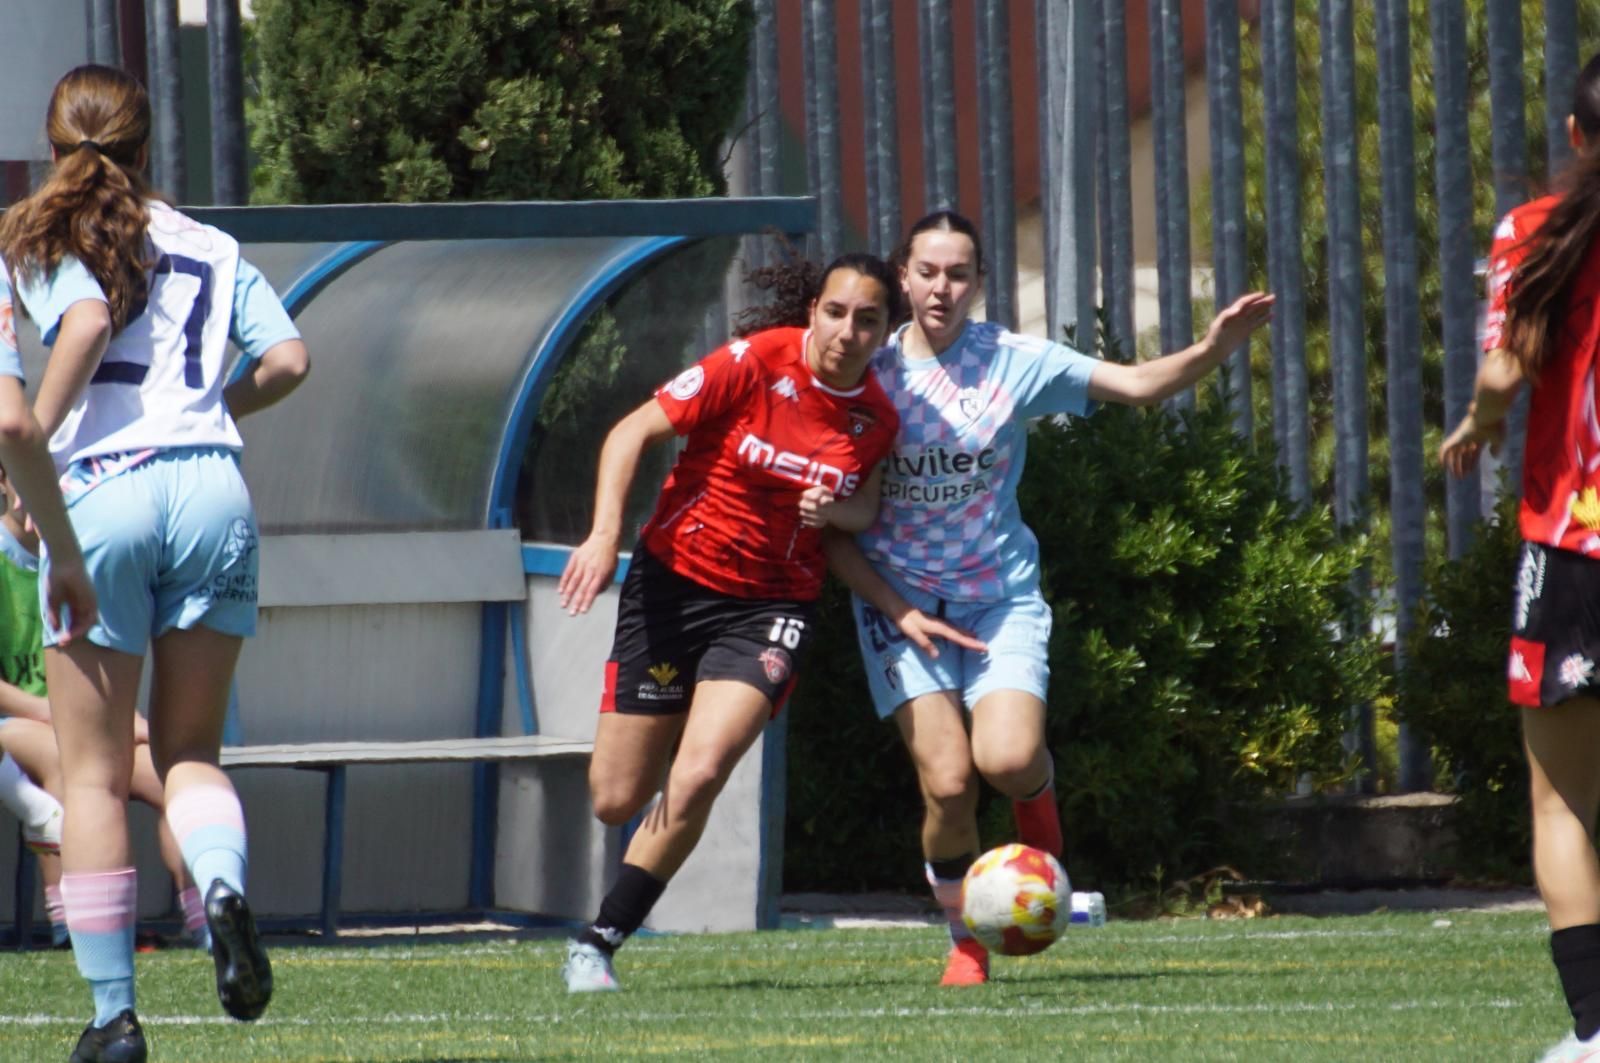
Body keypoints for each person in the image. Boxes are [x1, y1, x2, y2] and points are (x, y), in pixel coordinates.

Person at [822, 210, 1272, 986]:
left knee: (1009, 757)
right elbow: (834, 515)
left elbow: (1132, 385)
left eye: (958, 273)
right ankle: (966, 941)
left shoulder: (1013, 361)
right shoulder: (871, 371)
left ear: (978, 283)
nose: (941, 287)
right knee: (950, 782)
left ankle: (1045, 853)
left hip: (999, 598)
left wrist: (1211, 348)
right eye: (927, 271)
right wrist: (890, 598)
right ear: (903, 276)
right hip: (900, 604)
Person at [555, 251, 978, 993]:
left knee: (700, 773)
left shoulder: (874, 419)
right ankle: (617, 901)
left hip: (771, 607)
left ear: (886, 331)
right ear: (813, 310)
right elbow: (629, 433)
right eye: (837, 312)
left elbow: (862, 513)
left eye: (868, 319)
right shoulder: (749, 363)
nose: (848, 331)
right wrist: (601, 535)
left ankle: (598, 941)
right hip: (671, 585)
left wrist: (885, 590)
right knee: (616, 796)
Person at [0, 65, 310, 1062]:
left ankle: (113, 1018)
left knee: (90, 782)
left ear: (54, 149)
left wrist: (32, 472)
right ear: (148, 148)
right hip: (215, 487)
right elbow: (288, 360)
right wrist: (212, 414)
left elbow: (60, 356)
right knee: (188, 755)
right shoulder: (210, 242)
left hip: (103, 492)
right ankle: (218, 888)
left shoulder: (29, 240)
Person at [1440, 52, 1600, 1063]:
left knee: (1564, 800)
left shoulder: (1534, 229)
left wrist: (1476, 421)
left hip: (1572, 546)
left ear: (1576, 137)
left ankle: (1595, 1035)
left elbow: (1504, 366)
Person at [0, 461, 207, 952]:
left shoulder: (84, 557)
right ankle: (78, 925)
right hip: (14, 725)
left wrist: (123, 722)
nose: (40, 491)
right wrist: (61, 716)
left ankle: (208, 925)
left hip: (77, 723)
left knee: (168, 776)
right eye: (27, 476)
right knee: (64, 759)